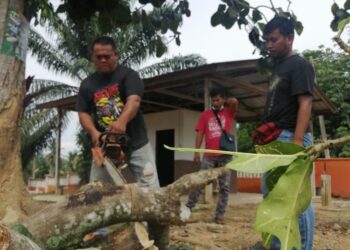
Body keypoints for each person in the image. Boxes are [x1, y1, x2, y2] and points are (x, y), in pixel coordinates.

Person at [76, 36, 166, 247]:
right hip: (103, 148)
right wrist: (94, 133)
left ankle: (157, 235)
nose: (104, 60)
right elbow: (83, 113)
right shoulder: (87, 84)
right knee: (97, 192)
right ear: (93, 57)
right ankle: (100, 236)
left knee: (150, 189)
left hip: (137, 144)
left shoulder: (129, 75)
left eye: (108, 56)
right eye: (99, 56)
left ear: (116, 55)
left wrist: (122, 122)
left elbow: (134, 101)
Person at [252, 16, 315, 250]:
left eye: (274, 39)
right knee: (272, 196)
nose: (269, 45)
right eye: (266, 40)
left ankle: (303, 247)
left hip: (291, 138)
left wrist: (297, 144)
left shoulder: (300, 65)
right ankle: (279, 245)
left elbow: (306, 104)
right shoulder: (278, 68)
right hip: (275, 140)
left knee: (295, 199)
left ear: (290, 38)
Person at [186, 87, 238, 225]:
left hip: (225, 155)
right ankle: (187, 209)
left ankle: (219, 215)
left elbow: (234, 102)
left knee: (224, 187)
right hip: (209, 155)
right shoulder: (205, 115)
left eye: (218, 99)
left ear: (223, 99)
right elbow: (200, 133)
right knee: (200, 181)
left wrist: (227, 101)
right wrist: (196, 151)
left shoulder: (228, 112)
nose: (215, 102)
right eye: (213, 100)